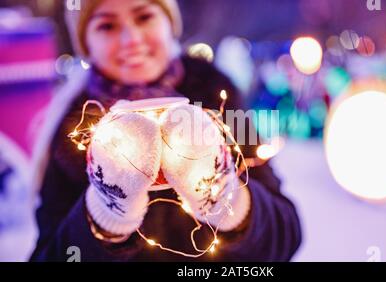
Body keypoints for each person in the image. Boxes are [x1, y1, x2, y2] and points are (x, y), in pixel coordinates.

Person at [30, 0, 301, 261]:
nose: (130, 39)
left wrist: (224, 198)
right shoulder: (73, 131)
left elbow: (284, 237)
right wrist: (106, 212)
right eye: (107, 26)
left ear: (169, 23)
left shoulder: (219, 102)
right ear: (86, 44)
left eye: (144, 16)